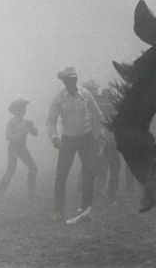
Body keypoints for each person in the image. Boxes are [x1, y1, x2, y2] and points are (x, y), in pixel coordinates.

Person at [47, 67, 105, 222]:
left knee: (89, 173)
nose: (73, 82)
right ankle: (58, 211)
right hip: (67, 139)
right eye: (69, 80)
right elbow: (50, 121)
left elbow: (98, 114)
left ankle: (86, 211)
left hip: (86, 138)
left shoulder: (85, 93)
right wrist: (54, 138)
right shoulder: (59, 98)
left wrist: (99, 134)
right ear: (64, 81)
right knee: (61, 175)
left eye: (75, 79)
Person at [83, 80, 121, 206]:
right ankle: (94, 193)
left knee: (113, 167)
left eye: (94, 89)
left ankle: (110, 196)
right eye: (90, 89)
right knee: (95, 166)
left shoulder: (102, 102)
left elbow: (115, 118)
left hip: (109, 139)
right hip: (96, 140)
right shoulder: (85, 103)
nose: (92, 91)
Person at [0, 99, 39, 200]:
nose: (23, 111)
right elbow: (8, 137)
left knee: (33, 167)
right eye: (20, 109)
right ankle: (0, 192)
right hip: (13, 147)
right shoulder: (11, 122)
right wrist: (22, 132)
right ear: (16, 111)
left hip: (22, 147)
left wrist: (32, 128)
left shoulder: (27, 122)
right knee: (11, 170)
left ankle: (31, 193)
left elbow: (36, 134)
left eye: (24, 109)